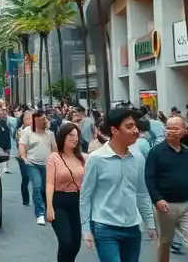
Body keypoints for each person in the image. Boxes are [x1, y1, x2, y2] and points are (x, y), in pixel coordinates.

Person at [80, 106, 155, 262]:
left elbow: (142, 193)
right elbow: (86, 196)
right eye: (129, 127)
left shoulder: (138, 158)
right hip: (105, 227)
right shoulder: (96, 159)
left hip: (133, 228)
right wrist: (86, 228)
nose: (135, 130)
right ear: (114, 130)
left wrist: (150, 223)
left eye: (135, 126)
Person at [145, 115, 188, 262]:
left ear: (184, 131)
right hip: (166, 205)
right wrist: (157, 199)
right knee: (165, 242)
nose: (170, 131)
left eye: (175, 128)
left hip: (187, 205)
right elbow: (149, 178)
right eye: (168, 128)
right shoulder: (156, 152)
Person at [45, 123, 84, 262]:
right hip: (59, 201)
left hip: (77, 201)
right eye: (71, 135)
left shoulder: (81, 158)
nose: (75, 138)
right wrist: (49, 207)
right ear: (63, 137)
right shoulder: (54, 157)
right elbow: (49, 183)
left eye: (77, 136)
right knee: (66, 241)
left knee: (76, 244)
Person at [19, 110, 56, 225]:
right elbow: (22, 145)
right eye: (41, 119)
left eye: (45, 118)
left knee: (47, 188)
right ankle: (39, 213)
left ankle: (48, 208)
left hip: (47, 164)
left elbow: (54, 148)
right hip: (32, 163)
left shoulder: (49, 133)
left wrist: (56, 161)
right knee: (37, 186)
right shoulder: (27, 132)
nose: (44, 121)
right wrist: (23, 157)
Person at [15, 110, 33, 207]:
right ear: (23, 121)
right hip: (23, 158)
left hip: (35, 157)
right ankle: (25, 200)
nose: (30, 121)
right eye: (28, 119)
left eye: (31, 118)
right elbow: (21, 144)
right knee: (26, 178)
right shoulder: (20, 131)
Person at [0, 109, 12, 174]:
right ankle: (1, 167)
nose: (3, 114)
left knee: (7, 152)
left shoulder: (8, 120)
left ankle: (6, 167)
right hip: (0, 138)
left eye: (5, 113)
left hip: (7, 138)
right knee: (1, 153)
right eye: (2, 113)